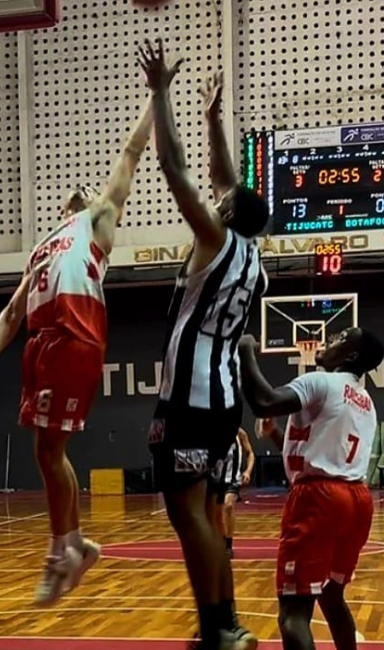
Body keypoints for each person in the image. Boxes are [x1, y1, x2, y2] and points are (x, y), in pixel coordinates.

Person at [0, 78, 154, 606]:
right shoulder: (42, 246)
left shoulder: (97, 221)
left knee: (50, 450)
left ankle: (64, 552)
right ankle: (74, 547)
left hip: (75, 336)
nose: (80, 191)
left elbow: (132, 152)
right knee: (46, 454)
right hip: (39, 345)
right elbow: (10, 312)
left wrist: (156, 96)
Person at [136, 40, 269, 650]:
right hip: (223, 403)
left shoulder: (214, 237)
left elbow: (177, 171)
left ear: (227, 214)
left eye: (221, 202)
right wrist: (216, 117)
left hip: (188, 400)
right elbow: (228, 179)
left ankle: (219, 627)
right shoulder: (255, 261)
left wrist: (161, 95)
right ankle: (225, 624)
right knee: (210, 515)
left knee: (188, 517)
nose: (215, 198)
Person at [238, 329, 384, 650]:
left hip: (319, 499)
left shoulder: (321, 381)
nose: (329, 338)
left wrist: (245, 351)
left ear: (351, 356)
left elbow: (264, 401)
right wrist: (277, 435)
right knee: (332, 597)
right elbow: (317, 454)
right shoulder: (365, 401)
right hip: (356, 500)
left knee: (293, 613)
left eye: (341, 337)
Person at [212, 428, 254, 559]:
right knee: (216, 514)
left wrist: (247, 471)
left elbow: (250, 453)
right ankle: (222, 541)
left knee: (228, 505)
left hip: (233, 479)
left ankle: (229, 546)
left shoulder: (239, 433)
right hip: (216, 478)